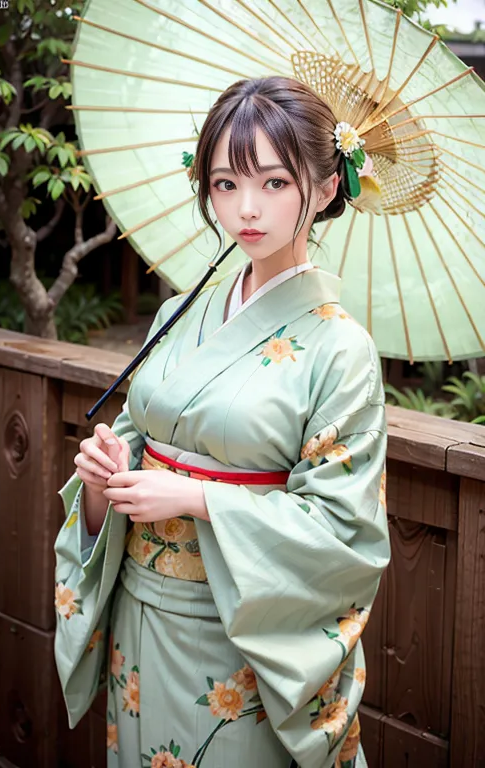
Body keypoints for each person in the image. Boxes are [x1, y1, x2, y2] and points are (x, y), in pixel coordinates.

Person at [54, 76, 390, 768]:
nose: (247, 209)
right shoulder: (180, 313)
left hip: (241, 643)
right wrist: (102, 482)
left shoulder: (341, 349)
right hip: (136, 617)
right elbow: (141, 439)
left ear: (326, 190)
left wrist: (196, 497)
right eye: (226, 183)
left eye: (274, 183)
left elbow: (344, 532)